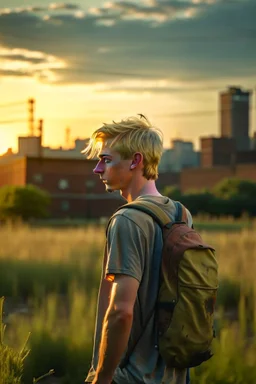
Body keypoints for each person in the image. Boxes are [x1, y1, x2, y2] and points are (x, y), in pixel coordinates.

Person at [83, 115, 192, 384]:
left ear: (135, 161)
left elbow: (121, 311)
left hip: (130, 377)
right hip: (173, 375)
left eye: (106, 160)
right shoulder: (180, 213)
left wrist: (103, 378)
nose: (98, 169)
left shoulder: (127, 220)